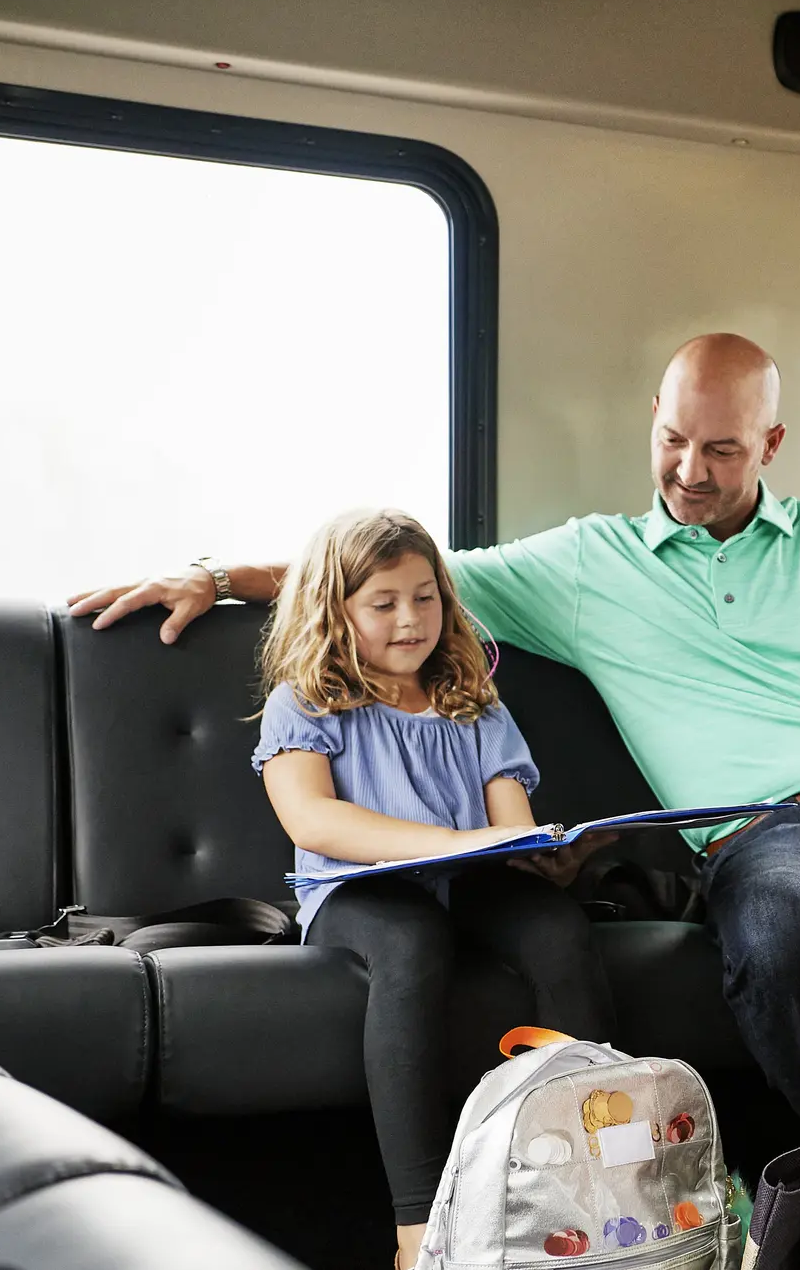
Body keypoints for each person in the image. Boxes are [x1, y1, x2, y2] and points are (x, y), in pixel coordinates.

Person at [67, 334, 800, 1122]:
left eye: (722, 451)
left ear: (770, 443)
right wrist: (219, 577)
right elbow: (392, 573)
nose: (689, 471)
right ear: (653, 415)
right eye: (674, 438)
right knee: (775, 940)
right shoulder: (586, 565)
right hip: (773, 838)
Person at [252, 508, 612, 1270]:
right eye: (383, 603)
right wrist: (455, 843)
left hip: (468, 878)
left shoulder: (472, 697)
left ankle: (593, 1181)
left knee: (557, 927)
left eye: (425, 597)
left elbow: (507, 824)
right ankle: (416, 1228)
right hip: (357, 893)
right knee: (414, 941)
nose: (410, 619)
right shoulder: (306, 699)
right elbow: (312, 818)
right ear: (336, 609)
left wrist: (543, 856)